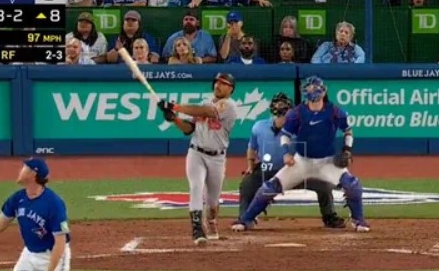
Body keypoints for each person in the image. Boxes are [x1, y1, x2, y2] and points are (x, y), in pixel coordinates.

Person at [231, 76, 369, 233]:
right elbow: (285, 135)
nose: (312, 92)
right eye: (309, 89)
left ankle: (359, 220)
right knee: (270, 187)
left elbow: (348, 131)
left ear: (323, 91)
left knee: (353, 185)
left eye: (315, 88)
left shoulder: (335, 112)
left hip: (327, 161)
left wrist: (347, 150)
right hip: (302, 161)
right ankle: (246, 219)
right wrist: (285, 154)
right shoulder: (297, 113)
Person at [238, 92, 345, 230]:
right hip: (269, 170)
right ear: (273, 112)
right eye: (280, 114)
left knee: (324, 185)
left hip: (297, 171)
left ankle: (329, 216)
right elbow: (251, 148)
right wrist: (250, 167)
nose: (283, 117)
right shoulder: (259, 127)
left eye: (286, 113)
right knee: (247, 183)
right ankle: (245, 218)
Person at [157, 73, 238, 245]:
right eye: (216, 82)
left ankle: (211, 221)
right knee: (196, 187)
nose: (218, 85)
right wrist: (174, 119)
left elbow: (208, 112)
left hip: (217, 158)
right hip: (196, 153)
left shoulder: (229, 106)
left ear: (230, 89)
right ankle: (197, 230)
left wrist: (175, 106)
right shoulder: (205, 102)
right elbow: (189, 129)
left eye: (223, 83)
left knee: (212, 202)